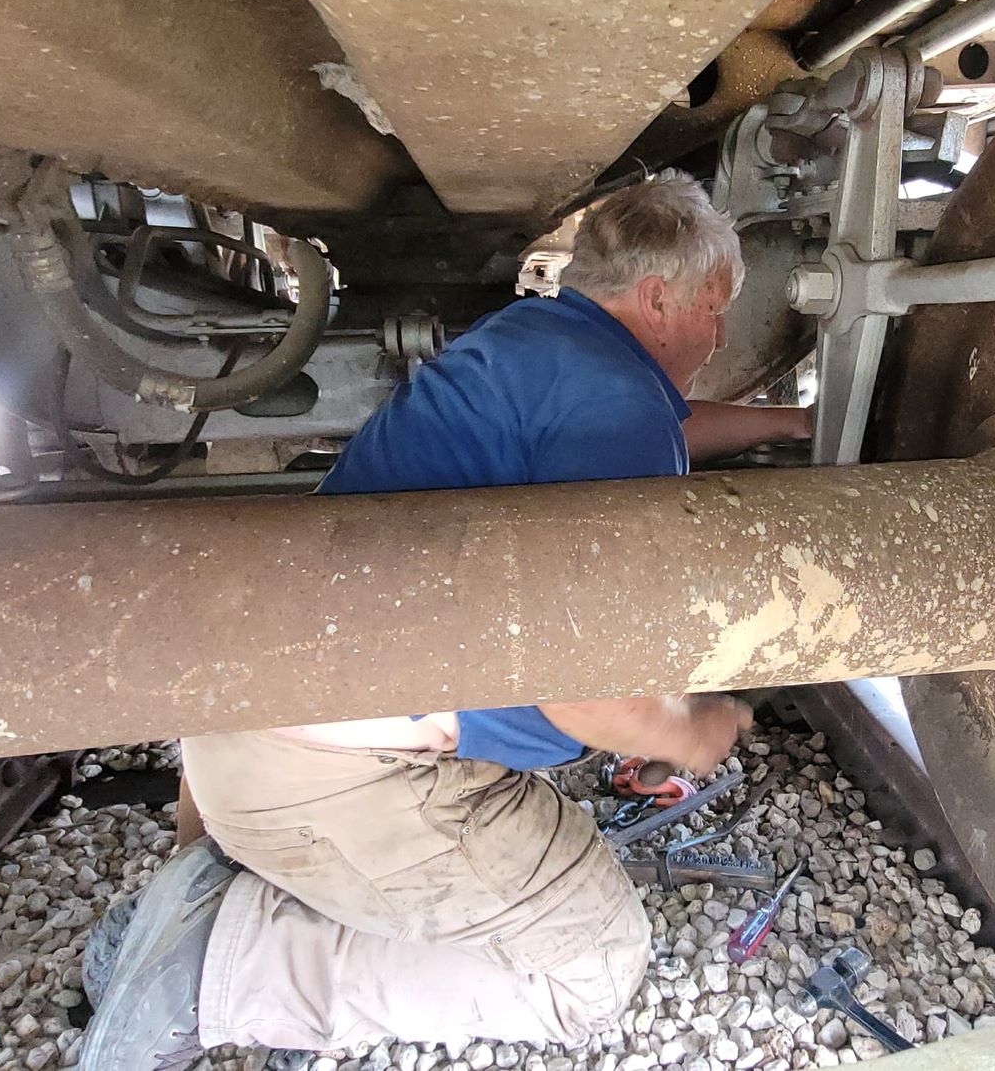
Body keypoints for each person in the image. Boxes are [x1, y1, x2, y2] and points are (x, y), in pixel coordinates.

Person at [79, 174, 811, 1068]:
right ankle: (219, 972)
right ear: (658, 300)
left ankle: (210, 887)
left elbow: (663, 427)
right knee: (594, 966)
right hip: (332, 772)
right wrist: (688, 730)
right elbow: (587, 695)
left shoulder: (535, 343)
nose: (721, 335)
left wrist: (798, 423)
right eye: (713, 309)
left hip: (240, 730)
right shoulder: (615, 405)